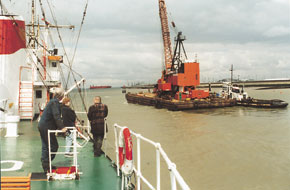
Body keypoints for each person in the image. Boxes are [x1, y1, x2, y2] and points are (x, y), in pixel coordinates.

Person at [38, 87, 67, 173]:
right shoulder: (54, 103)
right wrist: (62, 128)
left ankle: (46, 164)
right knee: (53, 146)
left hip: (43, 125)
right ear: (61, 96)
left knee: (46, 146)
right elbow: (56, 116)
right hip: (46, 127)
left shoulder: (52, 102)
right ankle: (46, 164)